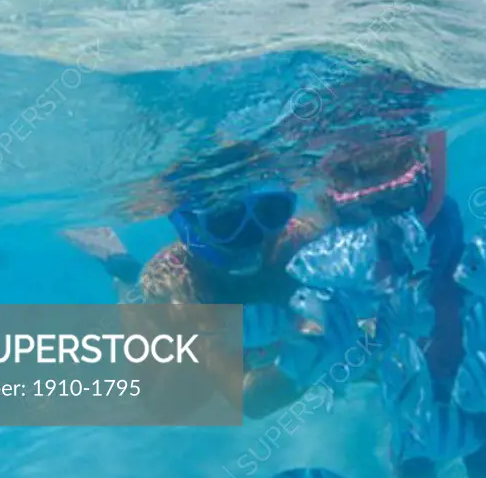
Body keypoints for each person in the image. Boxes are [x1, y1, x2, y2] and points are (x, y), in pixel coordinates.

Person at [317, 131, 486, 478]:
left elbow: (442, 285)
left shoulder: (440, 221)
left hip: (473, 366)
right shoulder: (349, 253)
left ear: (424, 183)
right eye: (365, 209)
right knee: (415, 472)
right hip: (415, 382)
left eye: (398, 199)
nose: (384, 222)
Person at [63, 150, 327, 421]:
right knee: (169, 405)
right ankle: (123, 270)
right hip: (197, 332)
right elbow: (250, 400)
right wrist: (312, 354)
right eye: (224, 219)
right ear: (189, 226)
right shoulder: (178, 280)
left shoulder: (302, 240)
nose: (253, 236)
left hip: (262, 344)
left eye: (270, 211)